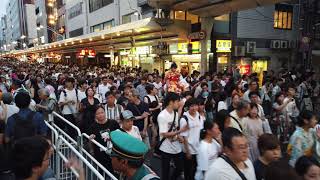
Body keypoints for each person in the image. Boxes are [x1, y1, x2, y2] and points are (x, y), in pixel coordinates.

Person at [157, 92, 188, 180]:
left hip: (176, 147)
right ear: (171, 102)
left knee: (179, 168)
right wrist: (180, 131)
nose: (178, 103)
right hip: (166, 148)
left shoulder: (175, 114)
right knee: (165, 172)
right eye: (177, 101)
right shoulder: (162, 116)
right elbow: (164, 134)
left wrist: (179, 136)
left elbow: (174, 129)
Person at [88, 106, 120, 174]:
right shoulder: (93, 126)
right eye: (98, 113)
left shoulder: (113, 123)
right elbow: (90, 142)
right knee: (102, 173)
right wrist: (91, 139)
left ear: (105, 113)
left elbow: (119, 135)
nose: (100, 115)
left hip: (113, 153)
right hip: (100, 155)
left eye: (102, 112)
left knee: (115, 173)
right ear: (95, 115)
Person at [180, 98, 204, 180]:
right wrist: (188, 151)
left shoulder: (199, 116)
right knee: (188, 171)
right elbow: (184, 137)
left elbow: (200, 132)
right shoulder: (184, 119)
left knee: (196, 170)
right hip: (188, 149)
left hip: (197, 148)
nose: (194, 108)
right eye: (192, 106)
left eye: (196, 106)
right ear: (187, 107)